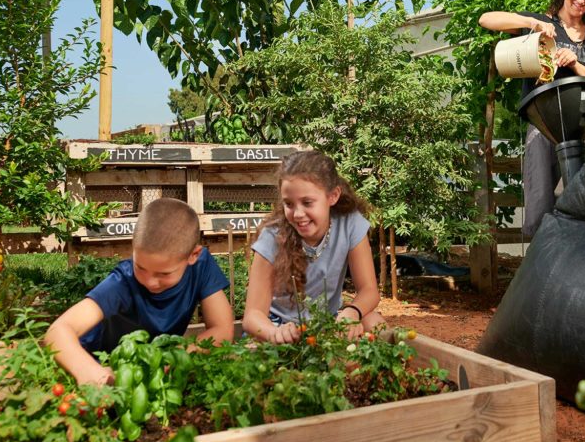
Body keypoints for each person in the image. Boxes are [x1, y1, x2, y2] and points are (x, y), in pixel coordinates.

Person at [478, 0, 585, 237]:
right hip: (543, 127)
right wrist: (532, 23)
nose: (581, 0)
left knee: (584, 203)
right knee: (540, 203)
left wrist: (575, 64)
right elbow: (486, 19)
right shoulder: (542, 25)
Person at [46, 198, 234, 384]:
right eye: (141, 267)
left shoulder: (201, 266)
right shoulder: (122, 282)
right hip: (97, 365)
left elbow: (223, 329)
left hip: (145, 372)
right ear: (133, 249)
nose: (150, 282)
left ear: (193, 255)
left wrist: (174, 358)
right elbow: (58, 330)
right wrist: (90, 372)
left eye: (164, 273)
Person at [243, 150, 384, 344]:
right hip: (279, 325)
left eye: (307, 202)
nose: (298, 213)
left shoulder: (349, 223)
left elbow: (369, 290)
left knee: (374, 321)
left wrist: (352, 312)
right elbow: (252, 316)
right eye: (289, 204)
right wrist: (275, 333)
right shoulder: (273, 236)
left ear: (333, 196)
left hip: (329, 321)